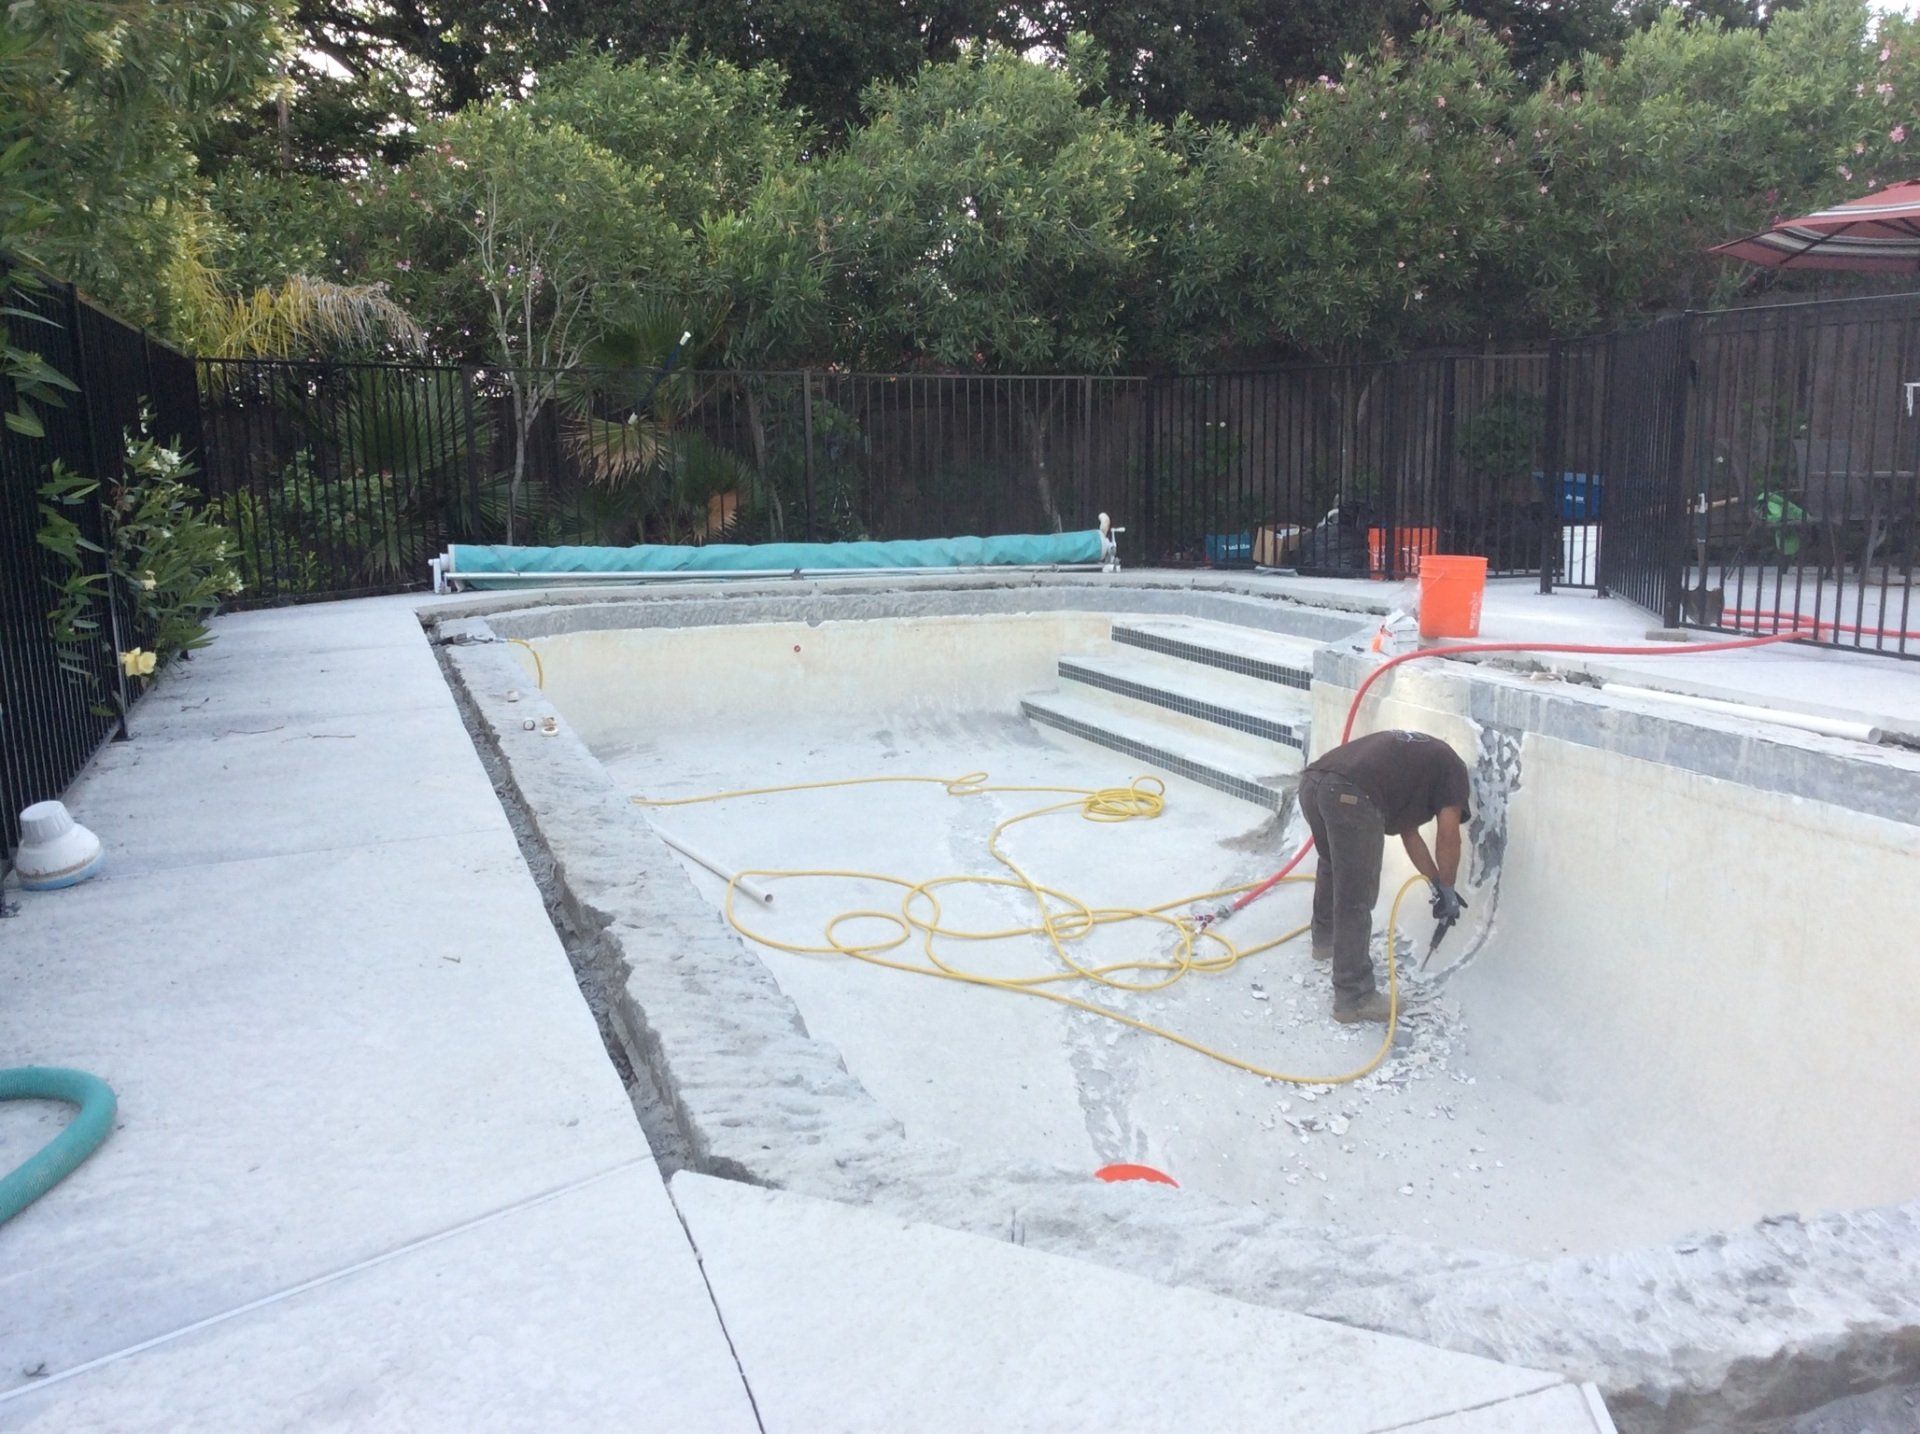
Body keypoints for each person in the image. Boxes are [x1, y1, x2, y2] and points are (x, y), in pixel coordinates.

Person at [1295, 730, 1471, 1024]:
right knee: (1356, 895)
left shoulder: (1416, 766)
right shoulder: (1454, 772)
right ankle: (1354, 997)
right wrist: (1450, 888)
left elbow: (1410, 834)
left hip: (1314, 782)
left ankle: (1325, 941)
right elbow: (1449, 834)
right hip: (1350, 794)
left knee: (1332, 864)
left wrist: (1436, 883)